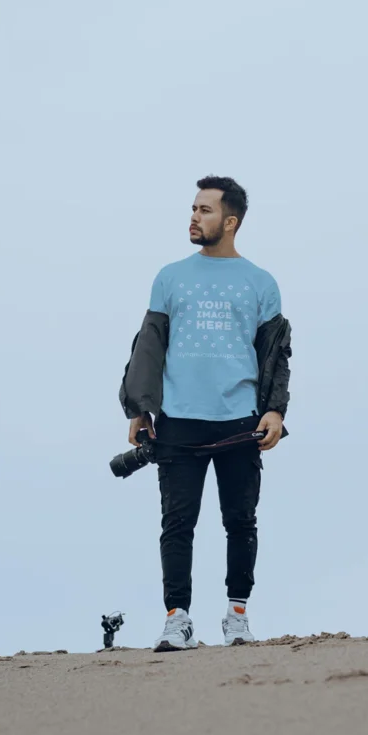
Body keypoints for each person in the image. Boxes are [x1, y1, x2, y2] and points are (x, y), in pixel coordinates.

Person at [119, 176, 292, 652]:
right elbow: (149, 347)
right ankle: (178, 620)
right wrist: (140, 410)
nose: (194, 217)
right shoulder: (170, 276)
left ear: (230, 221)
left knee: (241, 521)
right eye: (193, 208)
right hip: (177, 420)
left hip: (240, 422)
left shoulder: (261, 283)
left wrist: (275, 409)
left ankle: (237, 617)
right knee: (177, 524)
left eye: (205, 210)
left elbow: (276, 354)